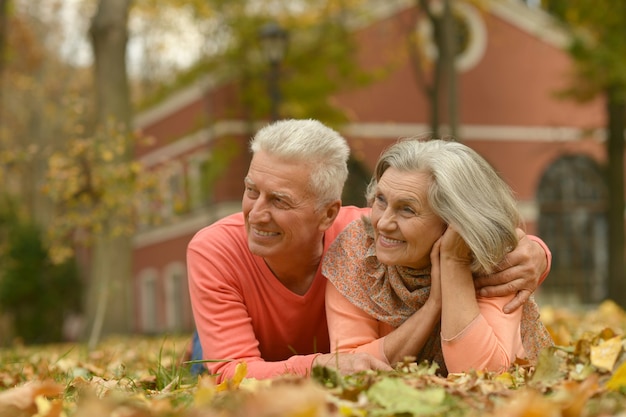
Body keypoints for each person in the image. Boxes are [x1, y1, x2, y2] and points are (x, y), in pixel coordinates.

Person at [187, 119, 551, 382]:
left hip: (331, 355)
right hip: (257, 356)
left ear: (328, 213)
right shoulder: (214, 249)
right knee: (206, 363)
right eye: (252, 191)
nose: (256, 213)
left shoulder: (361, 233)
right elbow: (234, 373)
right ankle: (195, 349)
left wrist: (535, 253)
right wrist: (434, 306)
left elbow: (480, 228)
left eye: (280, 200)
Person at [323, 138, 553, 376]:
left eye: (407, 209)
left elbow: (483, 374)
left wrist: (454, 263)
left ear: (453, 221)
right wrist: (434, 305)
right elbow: (350, 366)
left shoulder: (495, 259)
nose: (383, 222)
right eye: (381, 200)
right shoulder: (357, 248)